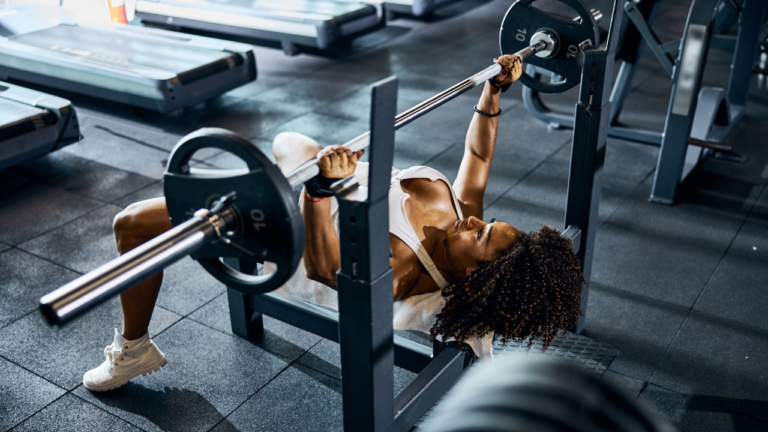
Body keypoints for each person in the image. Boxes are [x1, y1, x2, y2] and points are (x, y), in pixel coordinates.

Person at [82, 55, 586, 392]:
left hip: (293, 221)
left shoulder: (406, 268)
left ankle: (134, 349)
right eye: (486, 221)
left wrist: (320, 191)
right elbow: (477, 156)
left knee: (130, 224)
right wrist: (493, 92)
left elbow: (324, 268)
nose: (474, 219)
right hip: (332, 174)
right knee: (291, 141)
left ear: (475, 276)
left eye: (479, 234)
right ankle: (277, 177)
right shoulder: (458, 218)